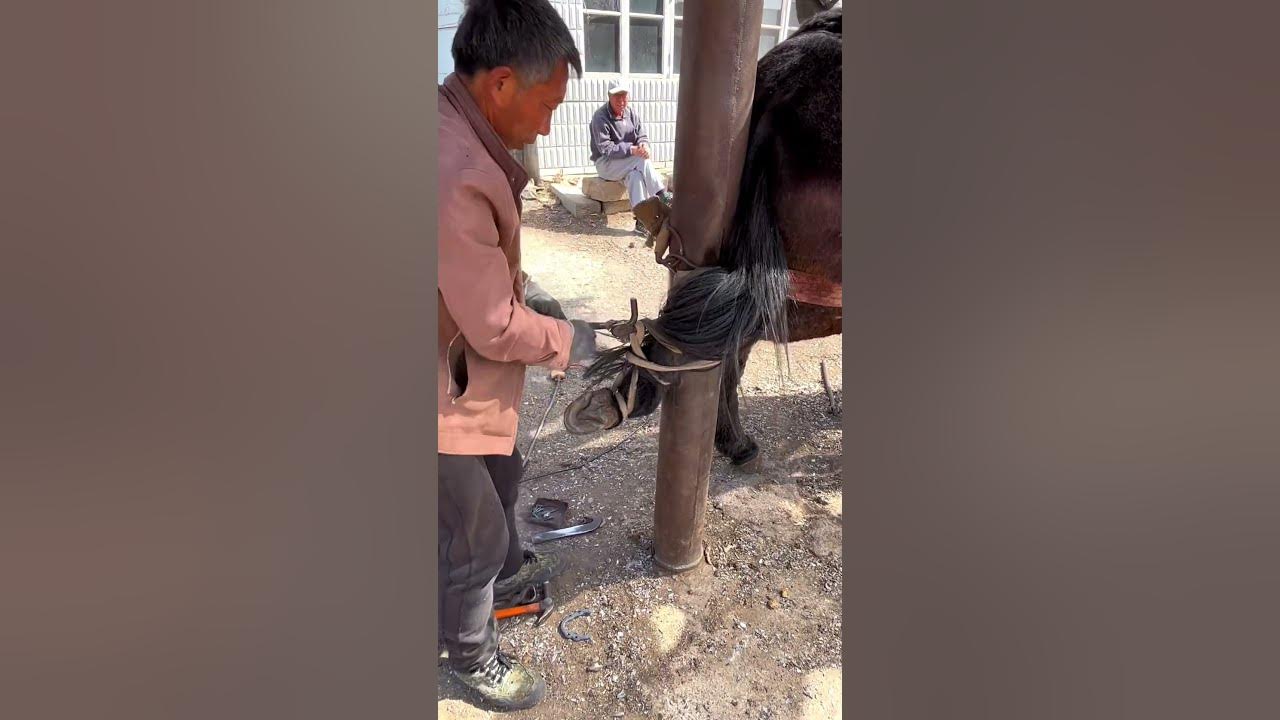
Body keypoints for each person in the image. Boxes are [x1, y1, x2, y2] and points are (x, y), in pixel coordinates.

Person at [437, 0, 599, 711]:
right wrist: (571, 342)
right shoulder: (450, 171)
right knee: (472, 523)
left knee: (506, 467)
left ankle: (498, 575)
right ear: (500, 84)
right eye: (547, 105)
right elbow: (495, 327)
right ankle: (471, 657)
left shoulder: (462, 138)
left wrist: (530, 289)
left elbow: (476, 267)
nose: (547, 124)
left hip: (458, 372)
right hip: (438, 386)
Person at [589, 82, 674, 236]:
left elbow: (642, 135)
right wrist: (632, 149)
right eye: (617, 97)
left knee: (635, 176)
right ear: (609, 97)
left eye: (624, 97)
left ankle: (641, 221)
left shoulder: (631, 114)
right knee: (640, 160)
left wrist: (643, 145)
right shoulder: (600, 117)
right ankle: (662, 195)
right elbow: (605, 148)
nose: (621, 101)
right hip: (605, 163)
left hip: (627, 163)